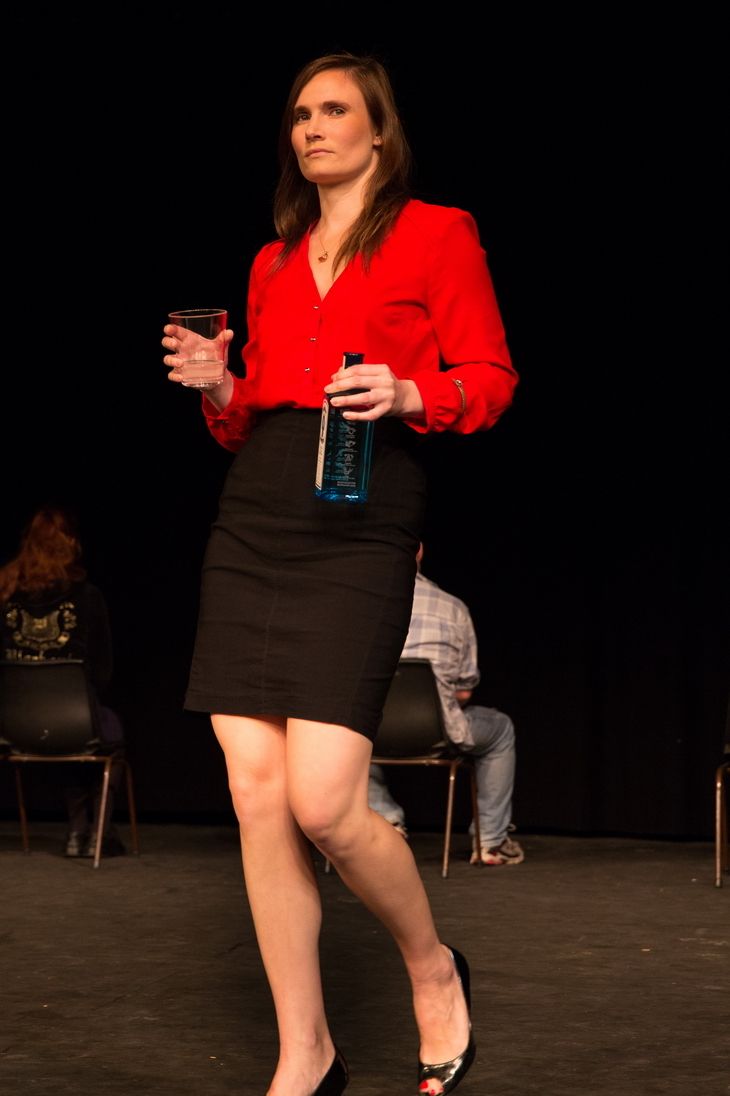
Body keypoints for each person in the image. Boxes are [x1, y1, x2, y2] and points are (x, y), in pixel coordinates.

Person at [161, 51, 517, 1096]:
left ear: (377, 132)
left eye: (333, 111)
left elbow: (489, 376)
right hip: (259, 513)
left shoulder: (435, 232)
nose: (311, 128)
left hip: (360, 521)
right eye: (300, 114)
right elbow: (244, 419)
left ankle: (430, 965)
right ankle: (304, 1051)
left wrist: (412, 390)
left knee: (325, 799)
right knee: (255, 790)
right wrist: (219, 381)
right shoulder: (272, 262)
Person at [368, 544, 524, 866]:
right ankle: (491, 843)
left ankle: (385, 822)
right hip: (438, 730)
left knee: (343, 733)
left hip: (372, 731)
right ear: (420, 552)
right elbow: (465, 692)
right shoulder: (453, 608)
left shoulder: (357, 607)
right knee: (501, 729)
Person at [0, 506, 126, 859]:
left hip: (13, 725)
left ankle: (76, 832)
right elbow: (104, 671)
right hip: (77, 718)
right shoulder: (88, 596)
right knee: (103, 736)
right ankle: (99, 834)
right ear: (71, 543)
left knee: (72, 731)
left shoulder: (3, 591)